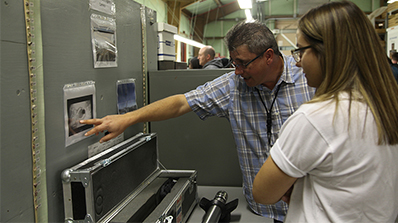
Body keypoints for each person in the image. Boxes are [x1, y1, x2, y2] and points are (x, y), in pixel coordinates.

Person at [80, 21, 315, 222]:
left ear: (269, 56)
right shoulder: (234, 87)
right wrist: (128, 118)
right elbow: (182, 102)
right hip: (260, 211)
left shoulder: (310, 81)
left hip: (310, 208)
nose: (237, 72)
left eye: (243, 63)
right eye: (234, 63)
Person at [252, 1, 398, 222]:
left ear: (328, 51)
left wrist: (296, 183)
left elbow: (262, 193)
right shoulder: (386, 106)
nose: (298, 63)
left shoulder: (316, 118)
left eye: (300, 50)